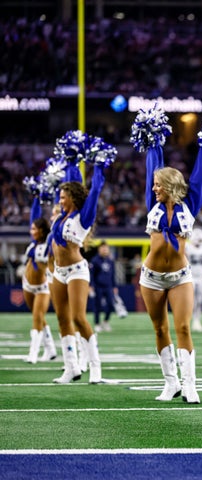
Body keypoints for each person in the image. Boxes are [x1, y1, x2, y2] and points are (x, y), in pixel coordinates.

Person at [133, 107, 202, 404]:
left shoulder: (190, 204)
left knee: (184, 327)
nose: (153, 188)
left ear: (170, 186)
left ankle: (190, 384)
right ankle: (170, 383)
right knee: (160, 328)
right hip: (151, 277)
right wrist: (153, 141)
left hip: (179, 276)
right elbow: (155, 161)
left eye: (158, 184)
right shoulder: (153, 202)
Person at [50, 140, 113, 384]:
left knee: (78, 317)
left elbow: (95, 189)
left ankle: (95, 367)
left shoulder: (83, 217)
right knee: (62, 319)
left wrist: (98, 165)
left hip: (77, 271)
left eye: (63, 196)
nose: (60, 199)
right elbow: (71, 177)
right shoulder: (60, 215)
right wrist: (71, 160)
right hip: (58, 272)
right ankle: (72, 367)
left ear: (73, 199)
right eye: (59, 195)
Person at [21, 195, 57, 364]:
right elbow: (34, 216)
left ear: (42, 231)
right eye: (32, 229)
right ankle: (50, 349)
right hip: (27, 284)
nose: (32, 231)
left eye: (35, 229)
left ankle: (33, 353)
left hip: (42, 286)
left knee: (37, 317)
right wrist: (36, 198)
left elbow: (49, 266)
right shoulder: (33, 243)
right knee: (39, 317)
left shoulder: (48, 245)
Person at [89, 241, 118, 333]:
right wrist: (91, 285)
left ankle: (105, 321)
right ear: (99, 249)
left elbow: (113, 274)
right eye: (103, 248)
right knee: (97, 306)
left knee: (111, 304)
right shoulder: (95, 260)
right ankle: (97, 324)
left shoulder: (110, 260)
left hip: (108, 286)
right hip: (98, 286)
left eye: (106, 248)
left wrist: (114, 286)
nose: (105, 250)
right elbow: (92, 275)